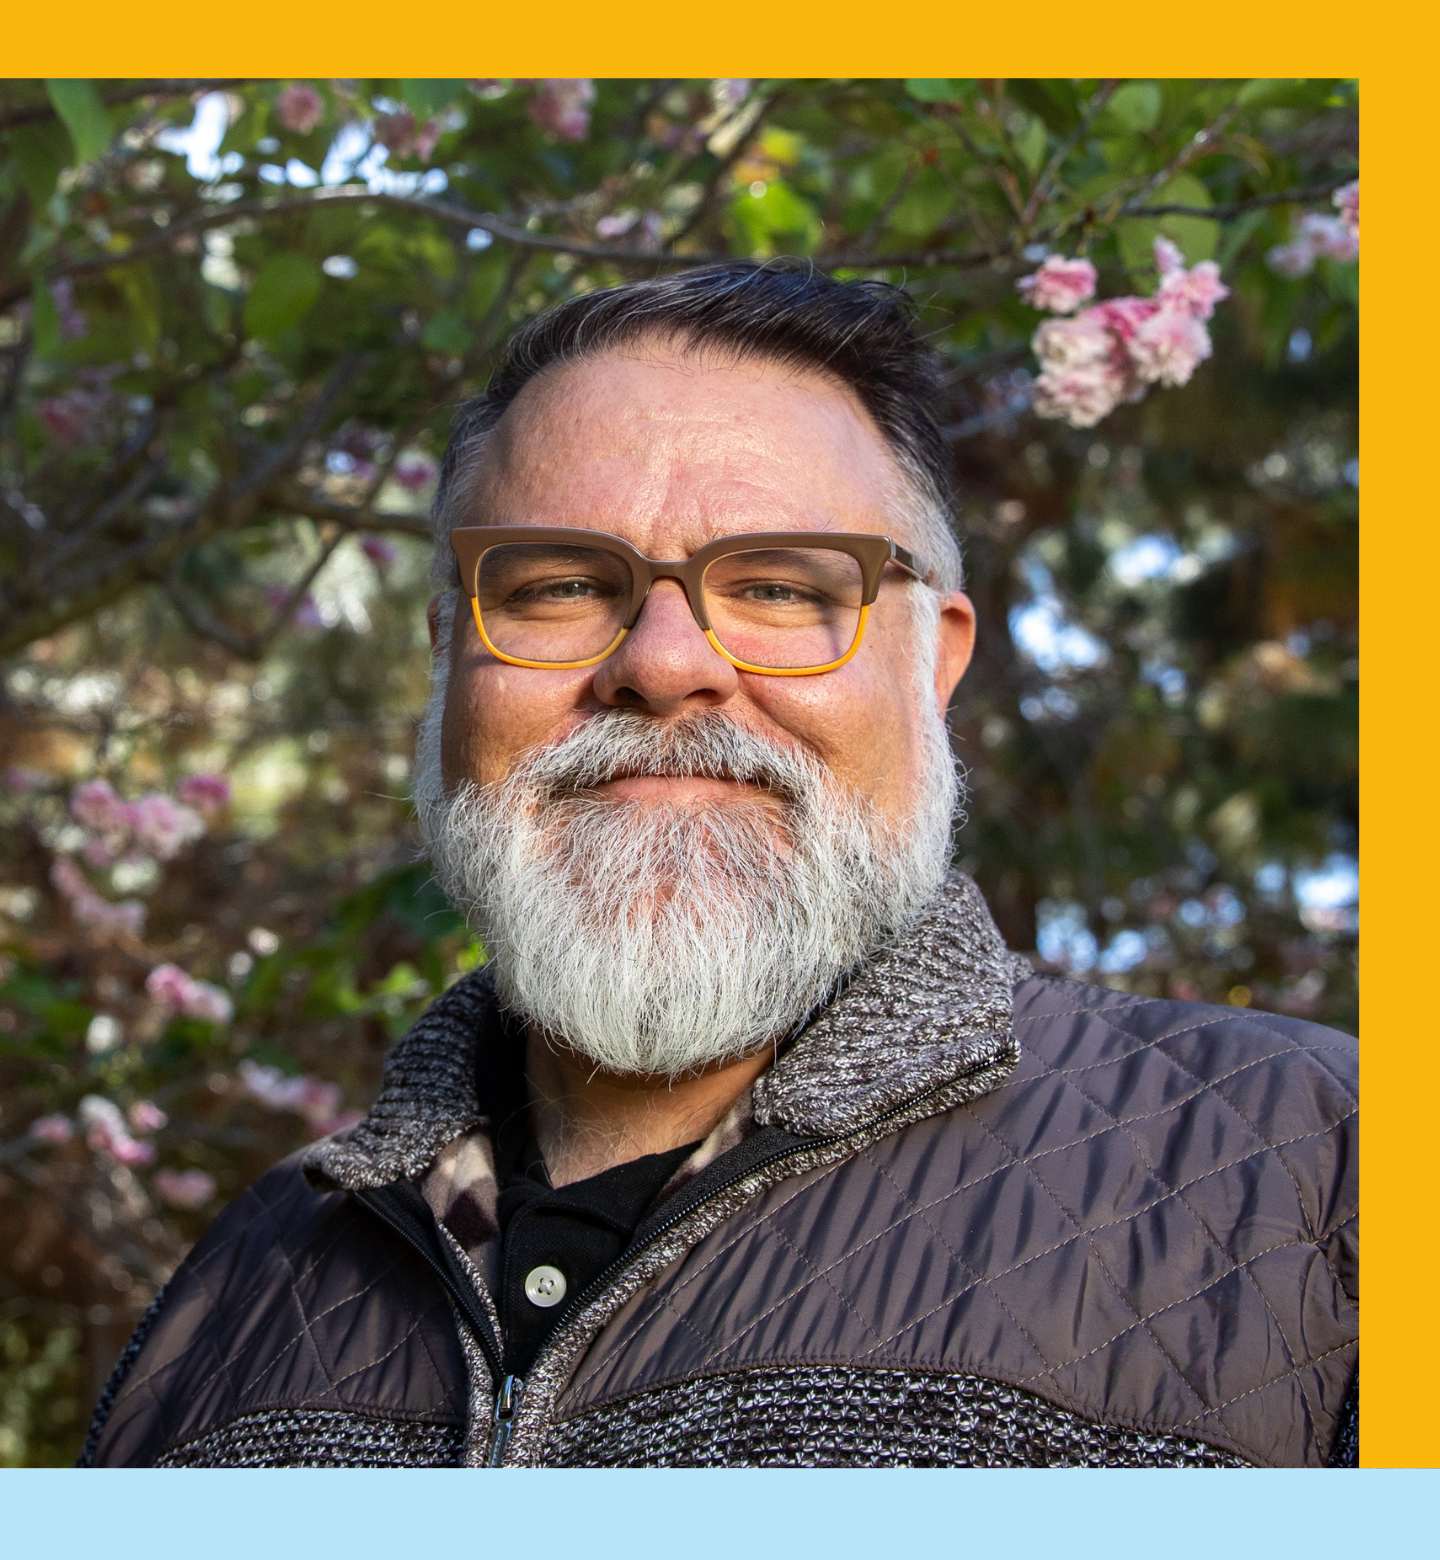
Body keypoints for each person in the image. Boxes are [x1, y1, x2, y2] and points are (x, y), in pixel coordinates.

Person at [82, 261, 1357, 1469]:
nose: (664, 661)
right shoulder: (237, 1287)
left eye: (786, 589)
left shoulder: (1323, 1169)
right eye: (560, 586)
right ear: (445, 663)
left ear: (937, 664)